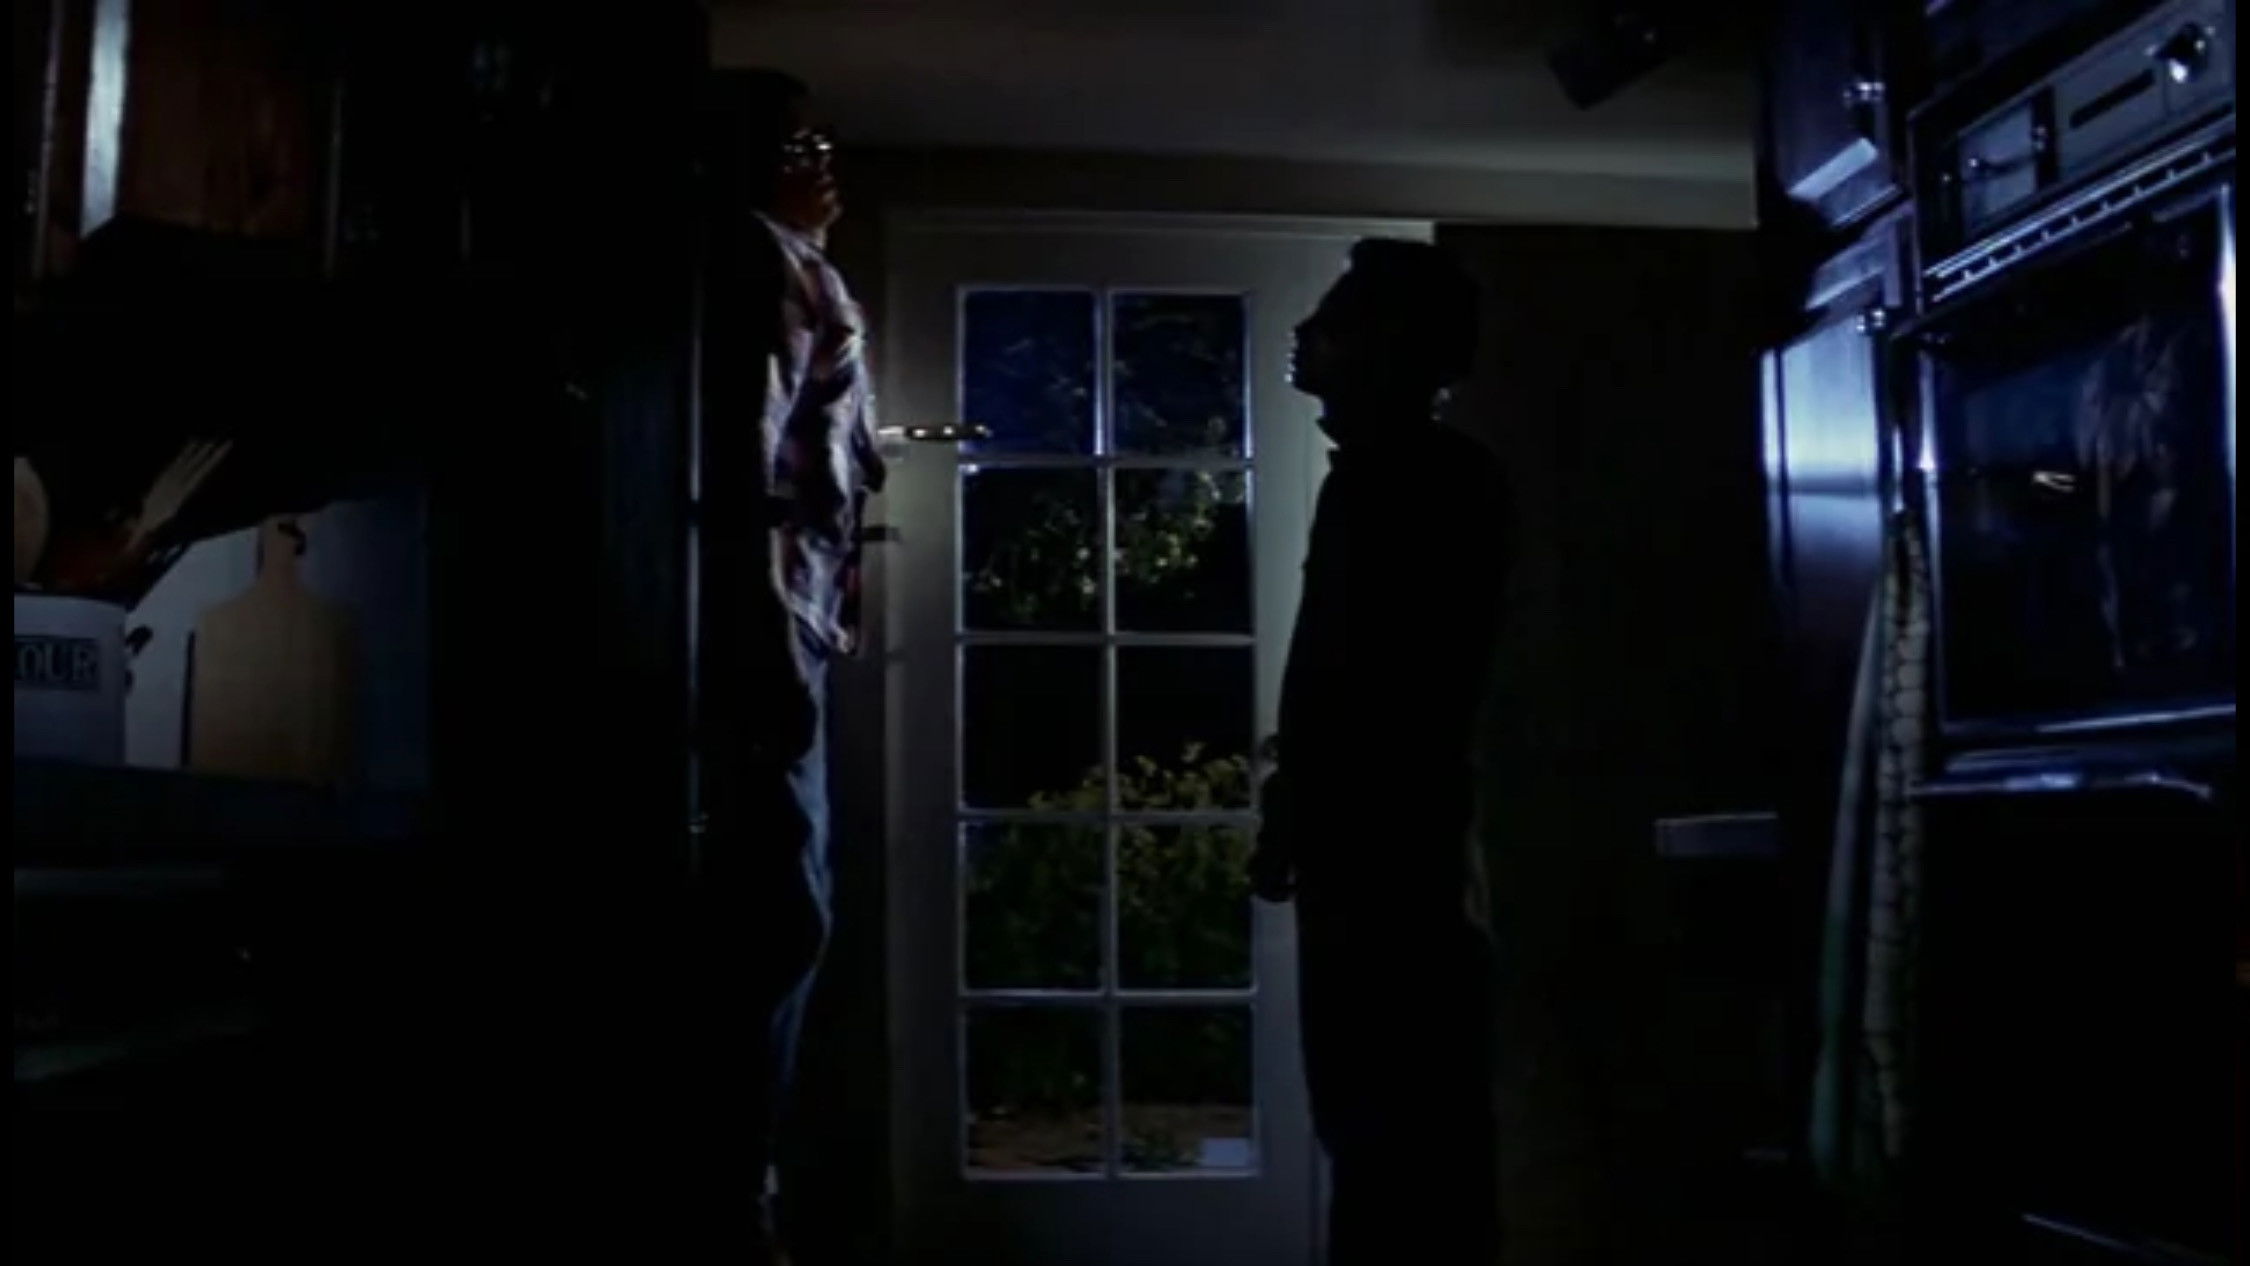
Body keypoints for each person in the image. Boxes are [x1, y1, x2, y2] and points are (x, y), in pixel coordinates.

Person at [1253, 238, 1506, 1263]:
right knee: (1390, 1115)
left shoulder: (1408, 483)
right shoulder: (1414, 476)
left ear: (1385, 348)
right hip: (1388, 837)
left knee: (1386, 1116)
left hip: (1384, 844)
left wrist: (1302, 803)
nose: (1305, 334)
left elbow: (1368, 678)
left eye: (1333, 321)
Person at [694, 68, 883, 1265]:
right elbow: (747, 456)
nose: (826, 168)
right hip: (770, 632)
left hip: (789, 626)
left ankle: (739, 1175)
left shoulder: (791, 265)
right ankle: (737, 1189)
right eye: (802, 146)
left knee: (784, 906)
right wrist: (771, 635)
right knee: (784, 914)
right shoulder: (764, 262)